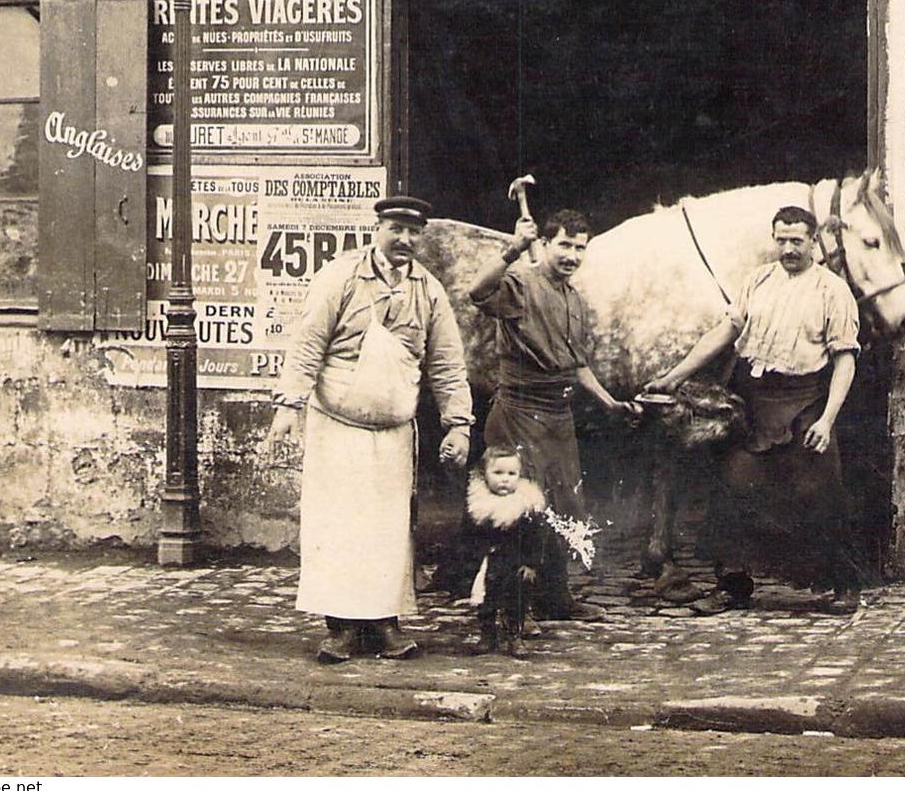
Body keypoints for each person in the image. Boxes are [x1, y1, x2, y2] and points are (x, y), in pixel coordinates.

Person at [266, 195, 474, 664]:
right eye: (396, 228)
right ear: (377, 227)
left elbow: (447, 363)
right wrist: (288, 407)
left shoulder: (429, 290)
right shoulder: (339, 277)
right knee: (338, 525)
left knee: (388, 529)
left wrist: (458, 424)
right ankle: (339, 627)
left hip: (394, 430)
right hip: (337, 425)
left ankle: (384, 624)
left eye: (413, 232)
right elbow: (307, 345)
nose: (404, 240)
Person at [646, 204, 865, 616]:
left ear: (814, 241)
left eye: (796, 240)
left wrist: (827, 418)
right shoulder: (758, 280)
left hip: (805, 401)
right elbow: (725, 333)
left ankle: (843, 584)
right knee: (732, 485)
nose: (788, 249)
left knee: (817, 493)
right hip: (753, 399)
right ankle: (732, 585)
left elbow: (845, 361)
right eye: (780, 240)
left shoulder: (832, 290)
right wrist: (673, 377)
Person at [468, 208, 631, 621]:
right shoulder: (521, 282)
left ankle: (556, 598)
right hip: (519, 409)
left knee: (562, 505)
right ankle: (507, 608)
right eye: (564, 245)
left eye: (580, 248)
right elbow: (477, 291)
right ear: (546, 243)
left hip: (558, 413)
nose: (572, 255)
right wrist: (514, 249)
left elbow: (577, 365)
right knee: (519, 508)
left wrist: (609, 402)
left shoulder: (573, 297)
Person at [460, 444, 550, 657]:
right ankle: (487, 636)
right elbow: (467, 536)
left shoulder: (525, 504)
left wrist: (531, 562)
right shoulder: (478, 504)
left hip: (515, 563)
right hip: (487, 564)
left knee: (516, 601)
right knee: (486, 601)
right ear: (484, 475)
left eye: (512, 473)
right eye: (498, 473)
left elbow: (537, 536)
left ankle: (514, 636)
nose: (505, 479)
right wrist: (469, 561)